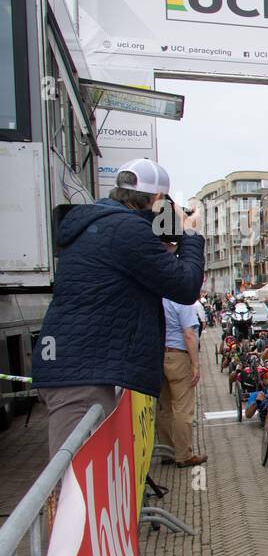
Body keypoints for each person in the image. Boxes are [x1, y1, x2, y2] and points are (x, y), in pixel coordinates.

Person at [33, 159, 205, 456]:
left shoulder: (105, 223)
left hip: (79, 366)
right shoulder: (126, 229)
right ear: (156, 199)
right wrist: (190, 233)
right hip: (84, 373)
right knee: (76, 474)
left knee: (91, 470)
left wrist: (172, 232)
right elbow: (186, 286)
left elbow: (154, 256)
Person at [156, 295, 206, 467]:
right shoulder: (181, 301)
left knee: (164, 408)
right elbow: (189, 334)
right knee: (183, 408)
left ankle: (167, 452)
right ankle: (183, 455)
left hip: (158, 355)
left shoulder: (157, 298)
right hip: (178, 356)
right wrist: (195, 364)